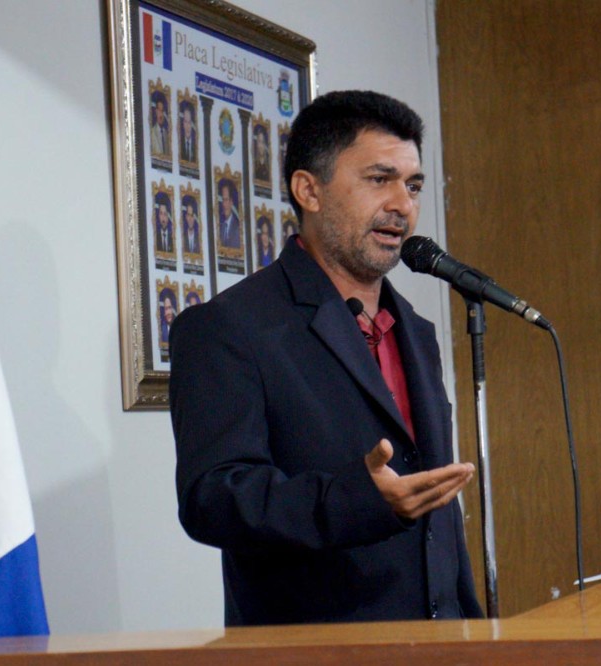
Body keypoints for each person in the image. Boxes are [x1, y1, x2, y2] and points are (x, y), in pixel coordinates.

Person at [170, 90, 482, 627]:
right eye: (379, 179)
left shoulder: (417, 332)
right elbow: (213, 500)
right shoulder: (229, 327)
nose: (403, 205)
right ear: (308, 190)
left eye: (413, 186)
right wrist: (356, 500)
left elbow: (439, 522)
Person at [217, 181, 241, 250]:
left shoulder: (238, 227)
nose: (224, 204)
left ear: (231, 202)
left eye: (226, 200)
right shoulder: (221, 227)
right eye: (223, 200)